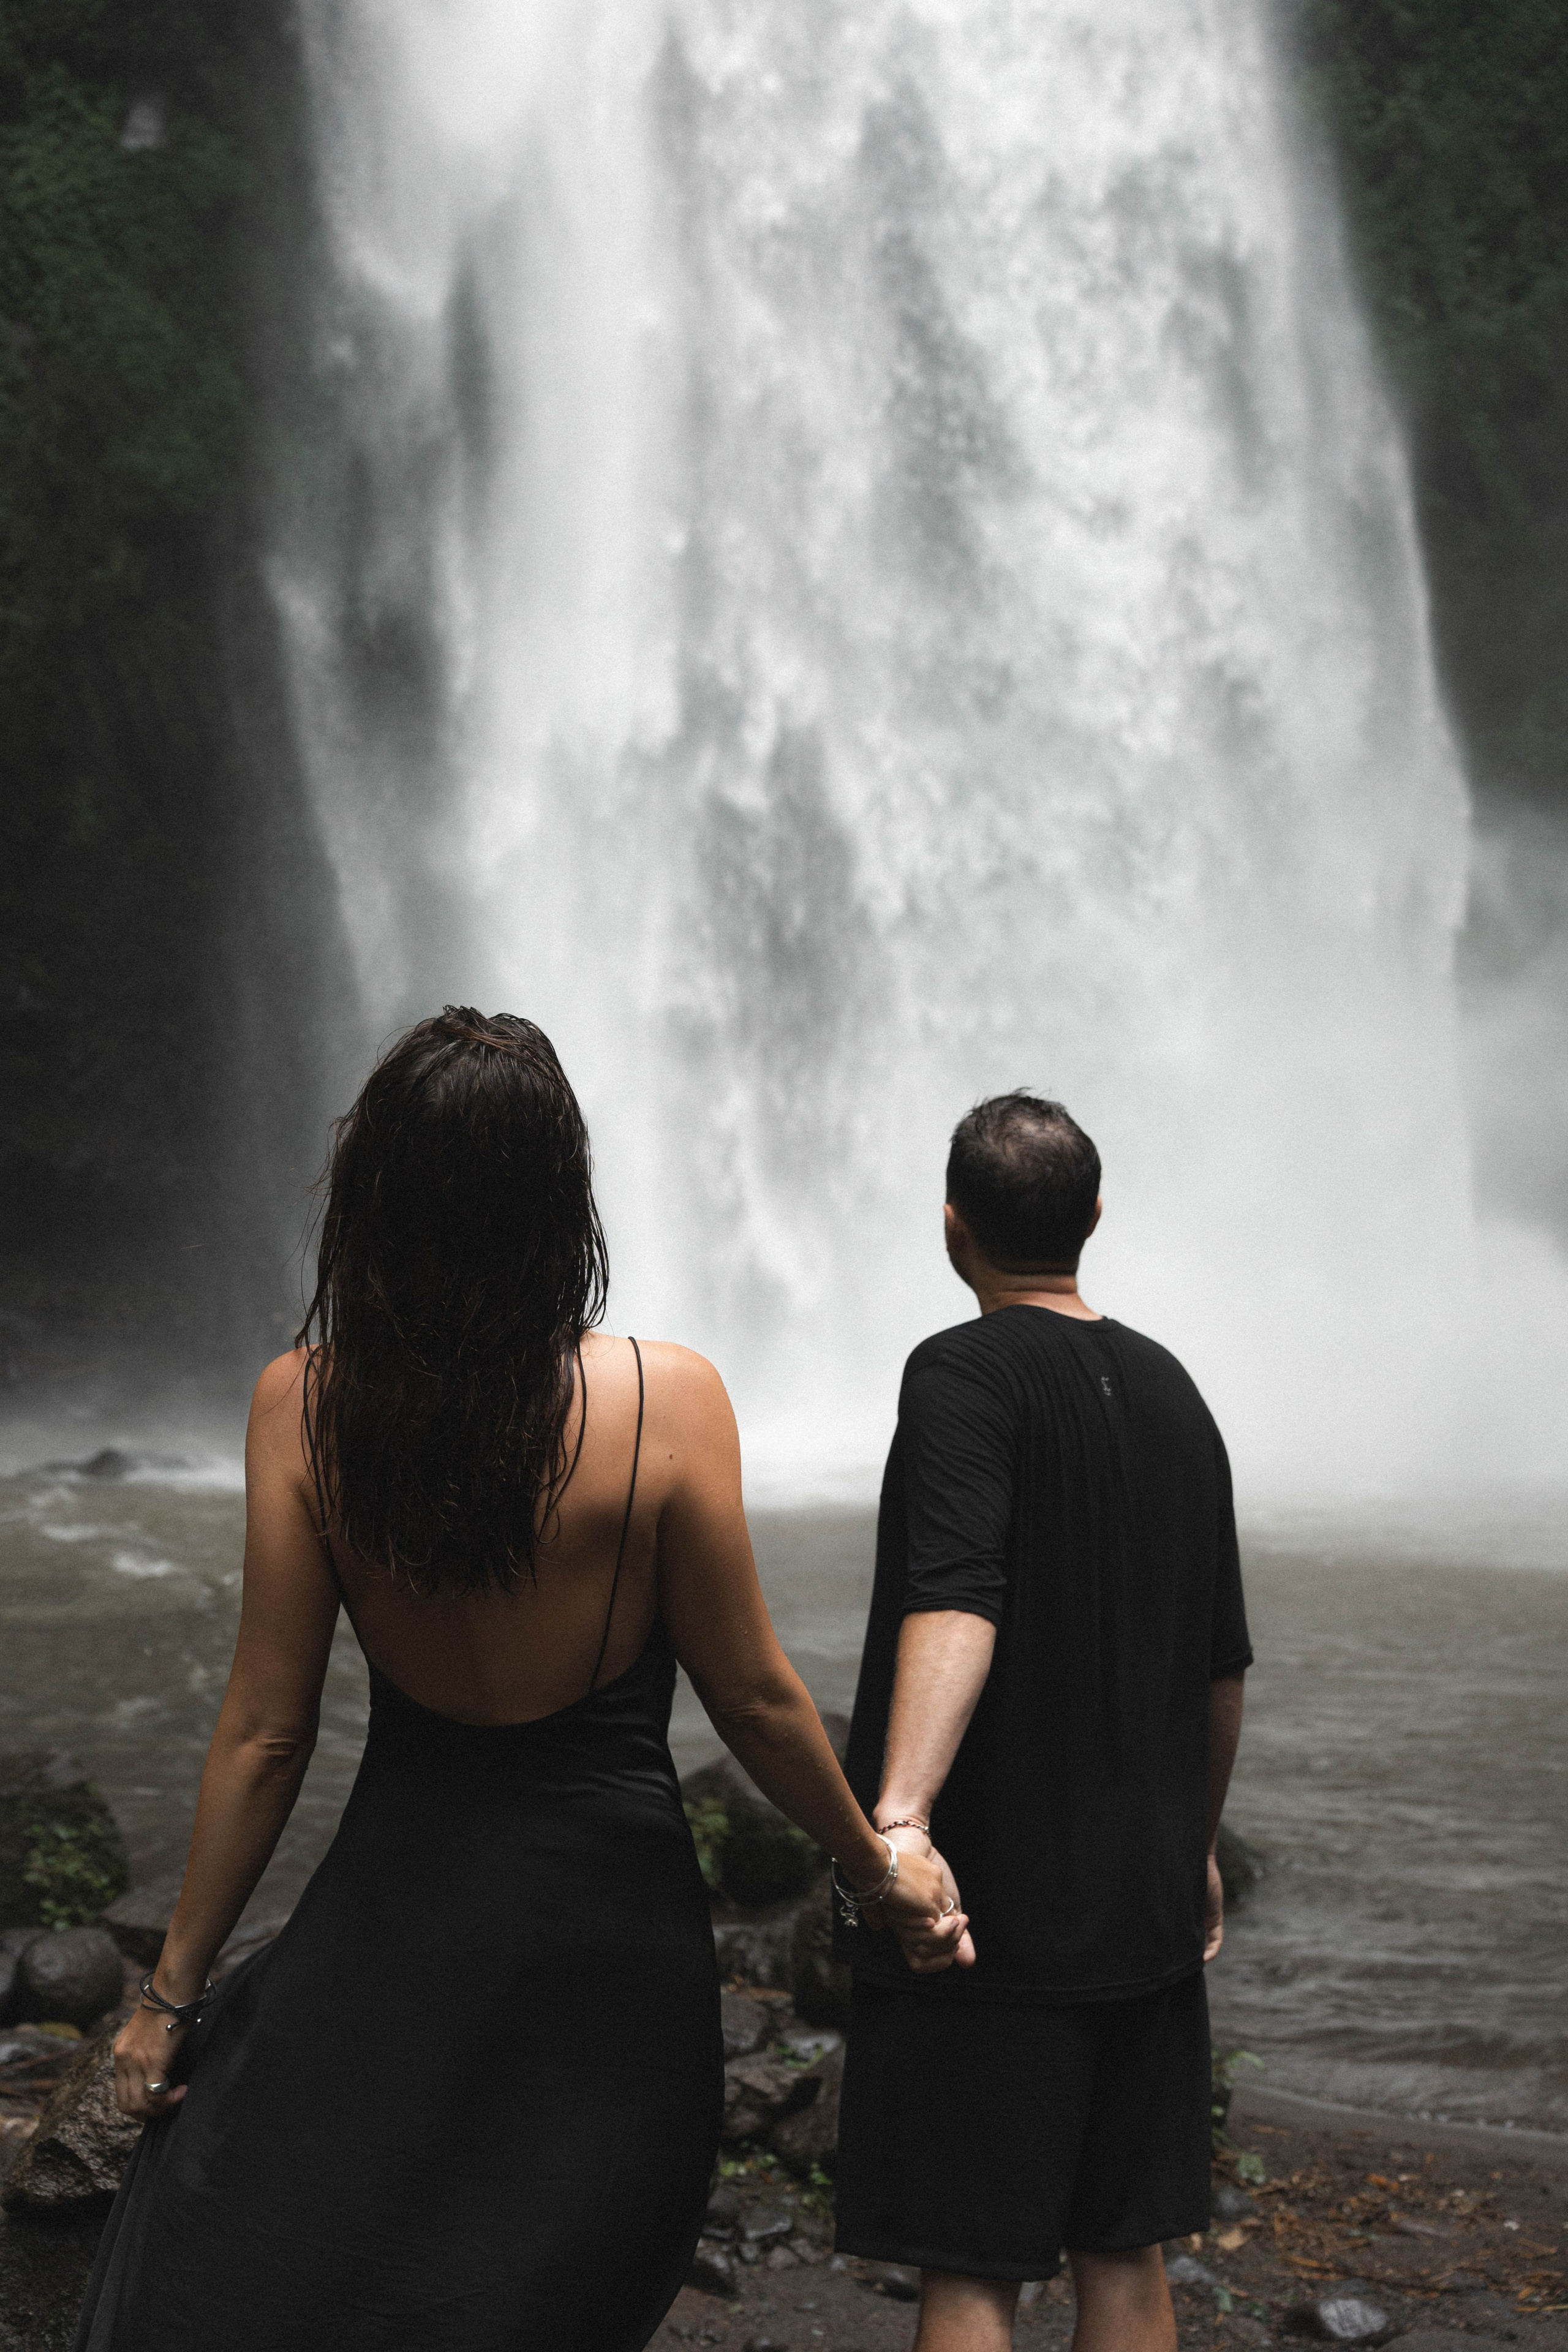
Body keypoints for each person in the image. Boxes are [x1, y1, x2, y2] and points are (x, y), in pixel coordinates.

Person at [78, 1008, 956, 2352]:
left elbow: (266, 1734)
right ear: (559, 1197)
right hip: (608, 1949)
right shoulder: (670, 1402)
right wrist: (872, 1866)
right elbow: (755, 1700)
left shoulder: (301, 1406)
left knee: (287, 2250)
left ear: (375, 1193)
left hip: (399, 1919)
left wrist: (167, 1999)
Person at [833, 1091, 1252, 2352]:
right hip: (1140, 1909)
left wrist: (902, 1819)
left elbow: (956, 1595)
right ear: (1094, 1218)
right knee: (1123, 2251)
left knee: (972, 2271)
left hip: (985, 1917)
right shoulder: (1174, 1390)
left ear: (951, 1226)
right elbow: (1220, 1669)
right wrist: (1192, 1847)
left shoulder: (959, 1373)